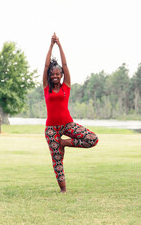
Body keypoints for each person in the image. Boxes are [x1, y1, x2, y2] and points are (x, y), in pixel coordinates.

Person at [43, 33, 99, 193]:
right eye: (52, 74)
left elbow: (65, 65)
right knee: (57, 160)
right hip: (51, 129)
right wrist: (50, 45)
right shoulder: (46, 88)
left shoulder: (66, 86)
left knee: (92, 139)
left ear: (61, 76)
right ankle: (63, 190)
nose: (55, 76)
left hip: (68, 125)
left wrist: (59, 45)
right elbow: (46, 66)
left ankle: (63, 143)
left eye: (57, 74)